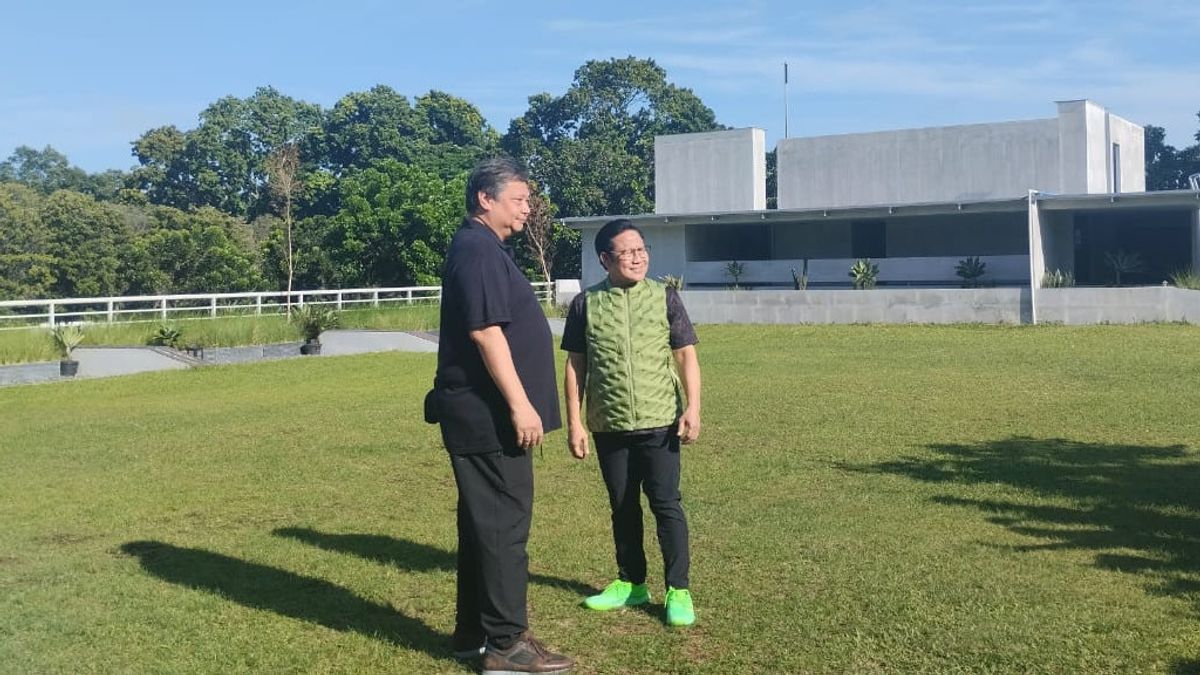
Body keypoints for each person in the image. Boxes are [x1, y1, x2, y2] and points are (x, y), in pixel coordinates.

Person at [433, 157, 574, 674]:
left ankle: (473, 633)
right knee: (502, 529)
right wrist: (521, 404)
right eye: (519, 199)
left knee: (482, 526)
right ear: (485, 200)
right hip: (490, 417)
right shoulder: (477, 250)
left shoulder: (482, 248)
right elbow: (486, 332)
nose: (527, 208)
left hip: (480, 416)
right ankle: (507, 645)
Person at [560, 218, 702, 627]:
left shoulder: (665, 297)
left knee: (666, 505)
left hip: (661, 422)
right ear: (605, 259)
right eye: (628, 251)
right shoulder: (586, 304)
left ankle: (678, 589)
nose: (638, 257)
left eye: (642, 249)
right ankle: (632, 583)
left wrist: (693, 408)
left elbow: (686, 355)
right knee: (622, 506)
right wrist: (575, 422)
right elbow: (575, 366)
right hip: (609, 425)